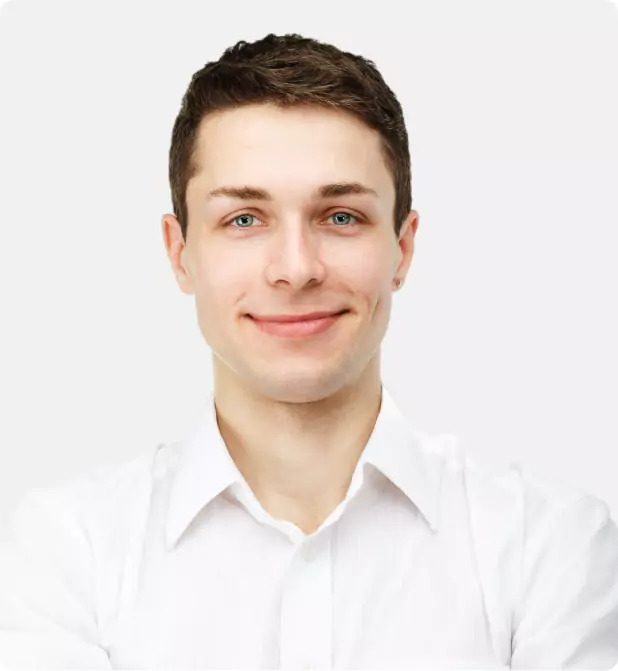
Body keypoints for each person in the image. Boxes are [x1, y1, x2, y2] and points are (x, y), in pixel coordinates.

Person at [1, 32, 617, 671]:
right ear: (179, 253)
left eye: (341, 216)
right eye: (244, 219)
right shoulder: (69, 551)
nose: (295, 270)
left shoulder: (547, 545)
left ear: (403, 249)